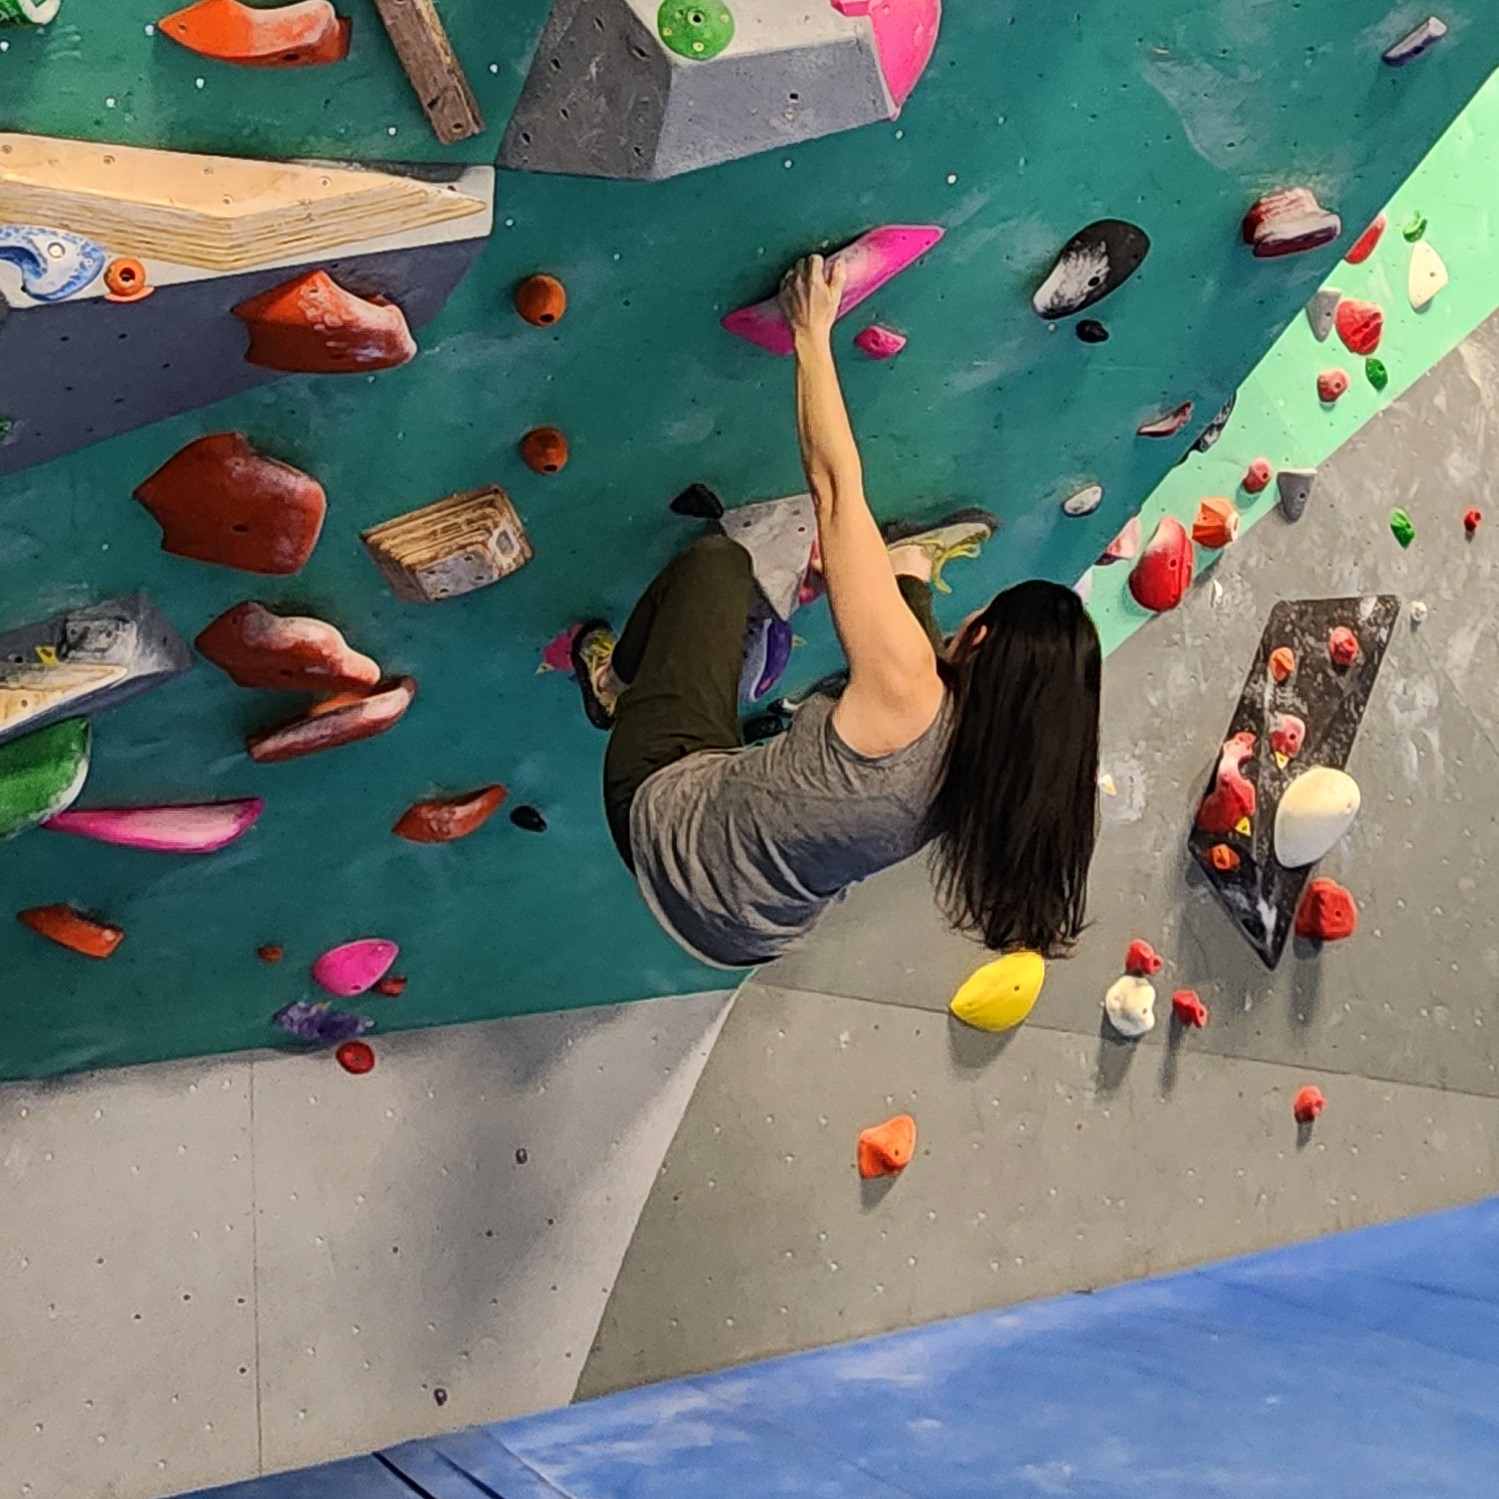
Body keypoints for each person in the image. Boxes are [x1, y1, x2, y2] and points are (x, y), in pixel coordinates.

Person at [571, 254, 1102, 970]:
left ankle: (613, 684)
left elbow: (833, 487)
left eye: (976, 618)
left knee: (718, 564)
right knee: (899, 631)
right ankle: (903, 570)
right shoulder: (992, 779)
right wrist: (886, 577)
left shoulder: (909, 685)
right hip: (750, 935)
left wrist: (810, 332)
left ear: (984, 641)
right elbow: (919, 680)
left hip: (661, 826)